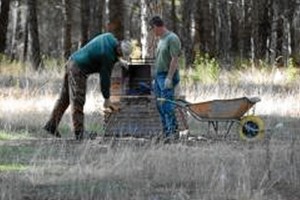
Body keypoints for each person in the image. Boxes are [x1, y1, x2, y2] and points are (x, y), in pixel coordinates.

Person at [43, 32, 132, 140]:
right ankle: (79, 133)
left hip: (72, 62)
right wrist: (107, 99)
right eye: (121, 54)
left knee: (65, 98)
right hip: (78, 69)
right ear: (119, 49)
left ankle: (51, 125)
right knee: (78, 100)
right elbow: (105, 79)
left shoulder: (110, 37)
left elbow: (106, 50)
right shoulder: (107, 56)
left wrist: (119, 60)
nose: (120, 56)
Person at [149, 16, 181, 141]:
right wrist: (155, 77)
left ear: (157, 26)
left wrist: (169, 78)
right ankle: (166, 133)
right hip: (159, 76)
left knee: (167, 106)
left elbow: (175, 59)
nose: (152, 32)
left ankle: (173, 134)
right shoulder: (161, 40)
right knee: (160, 106)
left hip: (167, 76)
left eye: (152, 29)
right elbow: (160, 59)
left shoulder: (172, 38)